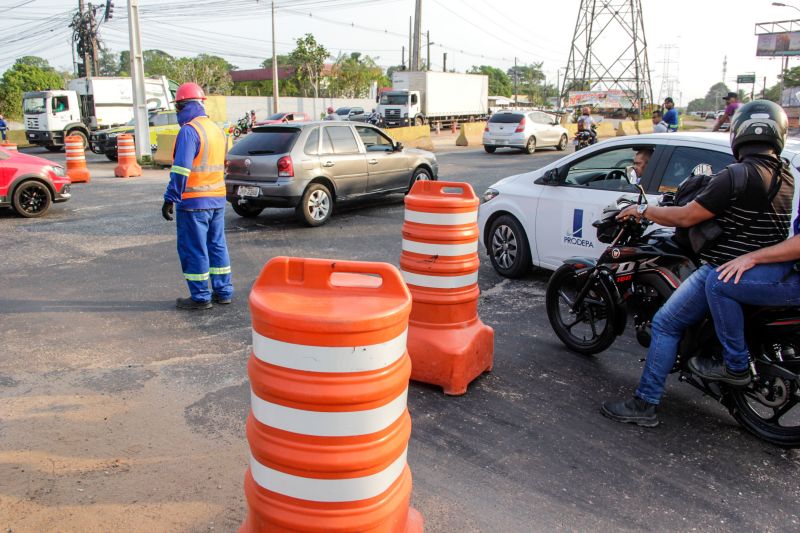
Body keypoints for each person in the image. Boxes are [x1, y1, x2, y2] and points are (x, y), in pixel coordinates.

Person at [601, 100, 794, 427]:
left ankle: (645, 404)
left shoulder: (736, 175)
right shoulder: (786, 178)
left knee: (665, 324)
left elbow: (687, 215)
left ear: (739, 133)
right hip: (761, 269)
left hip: (725, 268)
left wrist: (644, 211)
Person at [161, 82, 233, 310]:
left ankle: (201, 296)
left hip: (193, 202)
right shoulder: (216, 130)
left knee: (194, 248)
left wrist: (170, 198)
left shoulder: (189, 131)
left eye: (178, 108)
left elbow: (181, 170)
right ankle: (223, 291)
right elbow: (223, 165)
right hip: (217, 200)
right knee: (217, 246)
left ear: (182, 106)